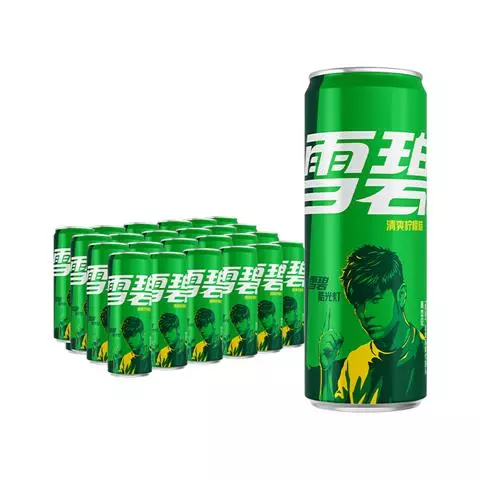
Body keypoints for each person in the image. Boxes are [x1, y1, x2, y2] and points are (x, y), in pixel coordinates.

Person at [318, 245, 426, 404]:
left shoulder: (423, 350)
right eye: (359, 304)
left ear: (401, 295)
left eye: (376, 299)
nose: (366, 313)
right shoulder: (355, 362)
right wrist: (326, 370)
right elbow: (333, 407)